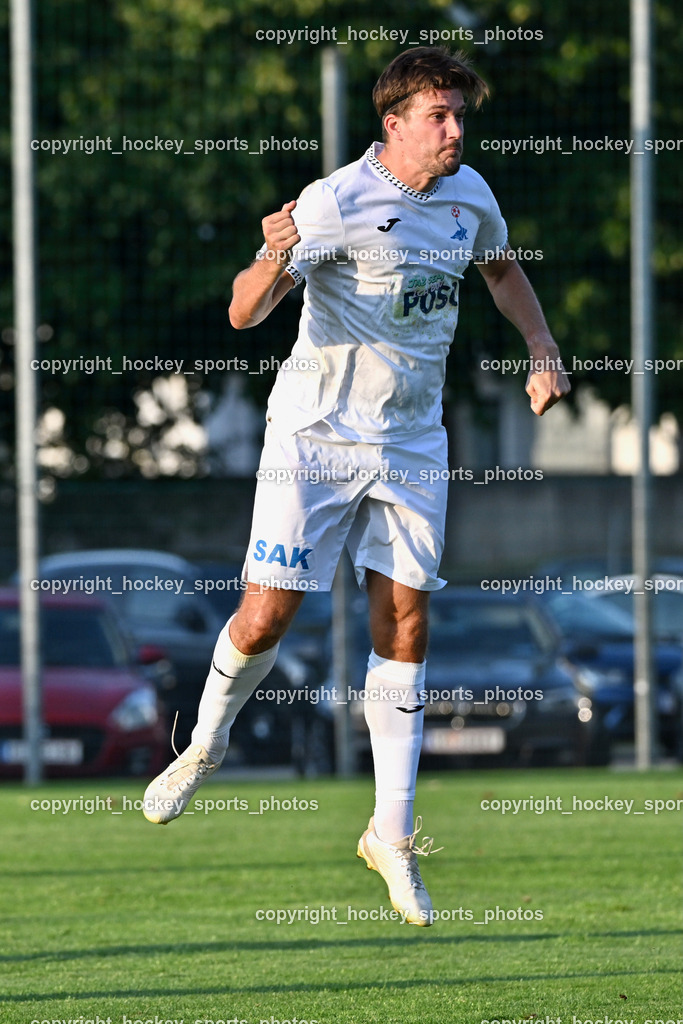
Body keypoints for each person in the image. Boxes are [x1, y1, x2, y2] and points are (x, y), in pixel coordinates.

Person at [143, 46, 571, 927]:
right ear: (394, 124)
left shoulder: (471, 195)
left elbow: (499, 269)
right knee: (266, 614)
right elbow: (243, 312)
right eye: (439, 118)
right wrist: (269, 259)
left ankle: (391, 833)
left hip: (412, 440)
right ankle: (207, 745)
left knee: (407, 618)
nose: (456, 131)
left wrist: (539, 346)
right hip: (316, 436)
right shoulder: (336, 202)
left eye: (460, 116)